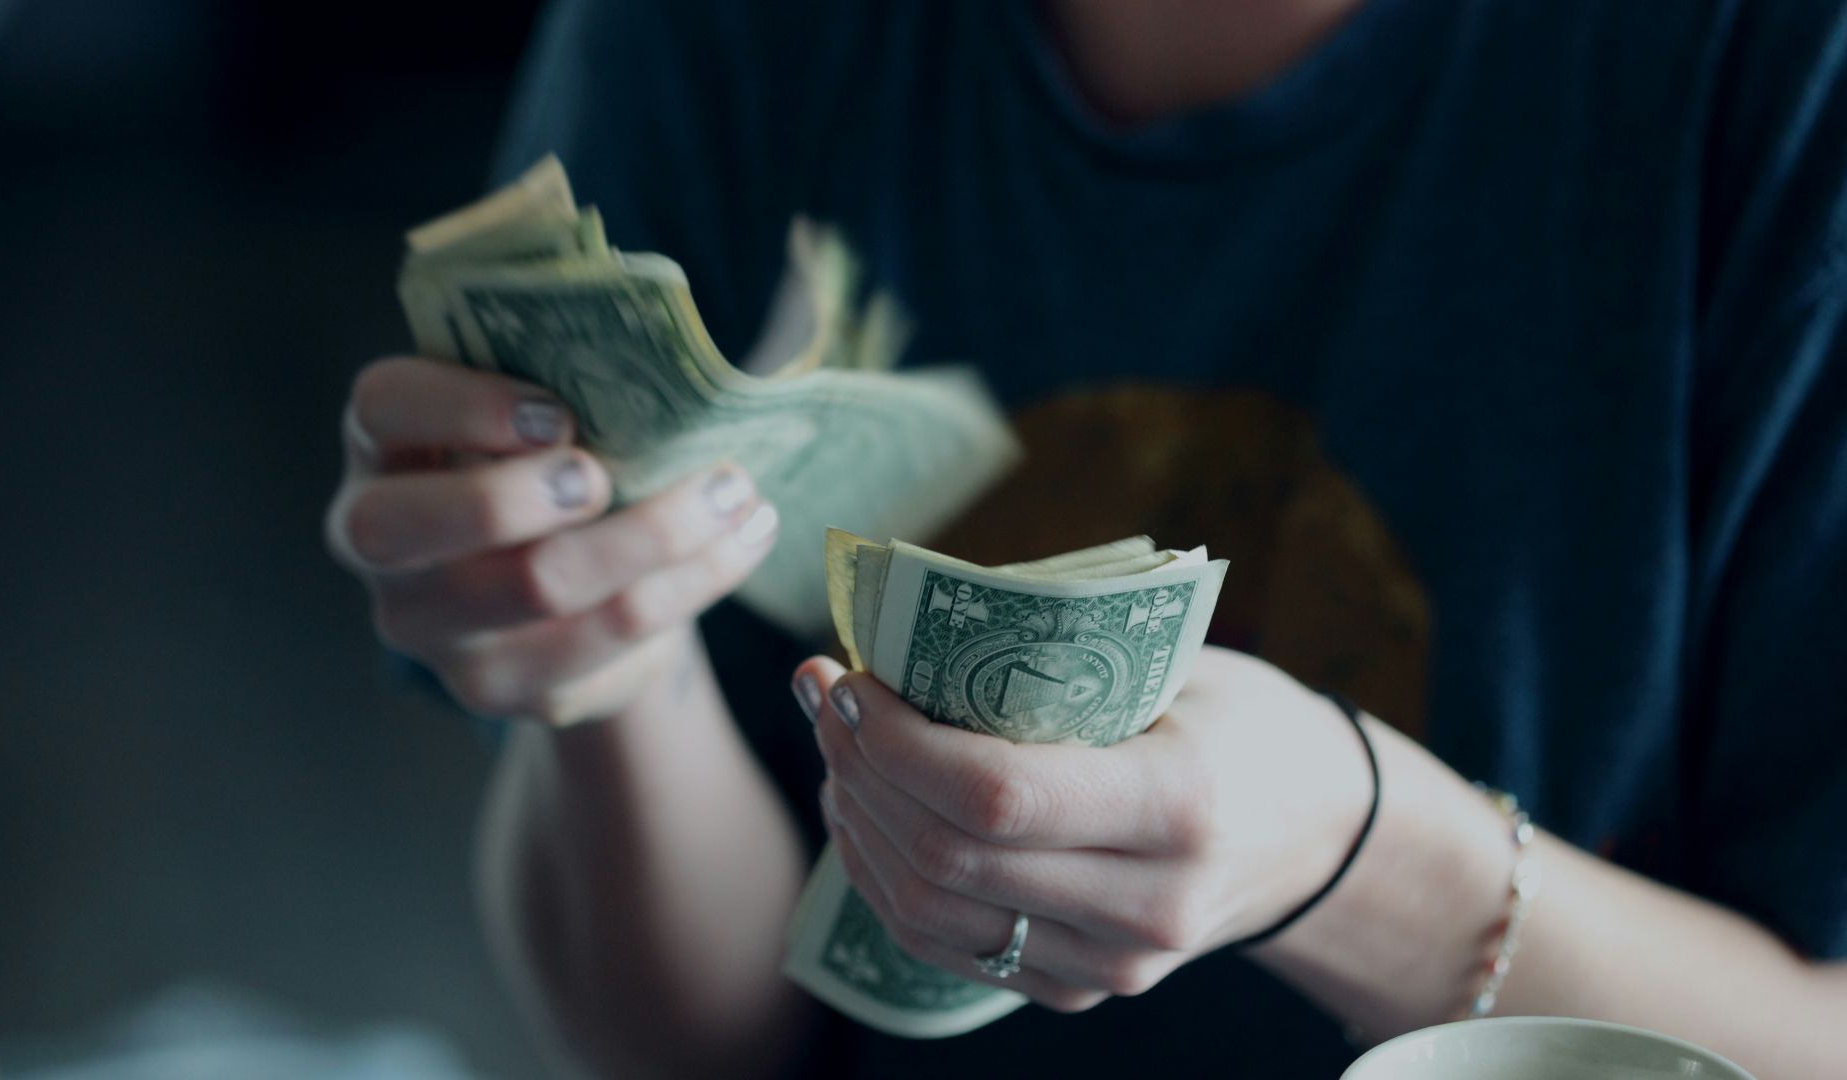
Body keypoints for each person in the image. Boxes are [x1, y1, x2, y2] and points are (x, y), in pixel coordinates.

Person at [325, 1, 1847, 1076]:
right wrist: (606, 676)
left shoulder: (1781, 76)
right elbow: (693, 1049)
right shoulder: (718, 32)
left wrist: (1358, 858)